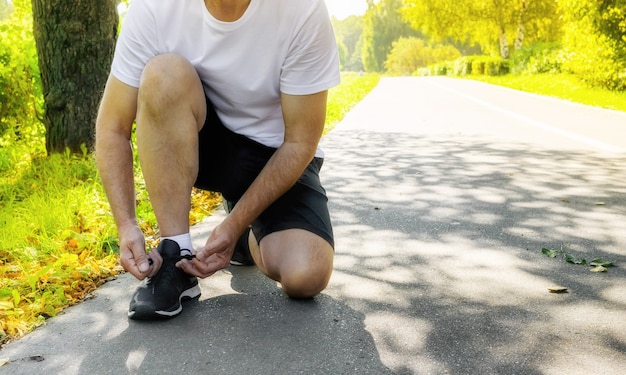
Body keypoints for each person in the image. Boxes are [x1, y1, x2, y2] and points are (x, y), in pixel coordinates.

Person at [95, 0, 340, 320]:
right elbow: (112, 128)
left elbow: (300, 141)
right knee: (163, 72)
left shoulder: (302, 10)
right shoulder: (154, 8)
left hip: (276, 156)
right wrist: (126, 224)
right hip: (201, 144)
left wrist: (234, 223)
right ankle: (175, 255)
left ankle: (245, 234)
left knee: (306, 275)